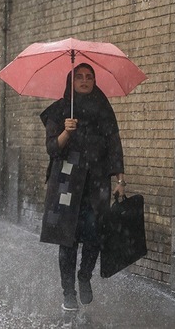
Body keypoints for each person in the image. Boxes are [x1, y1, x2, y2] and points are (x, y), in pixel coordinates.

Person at [39, 63, 125, 311]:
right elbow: (52, 149)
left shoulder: (103, 108)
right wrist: (66, 132)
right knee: (67, 239)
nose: (85, 81)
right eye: (80, 77)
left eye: (89, 77)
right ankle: (68, 292)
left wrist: (120, 180)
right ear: (71, 81)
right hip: (66, 183)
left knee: (95, 234)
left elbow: (114, 146)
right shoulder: (60, 110)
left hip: (97, 183)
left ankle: (84, 276)